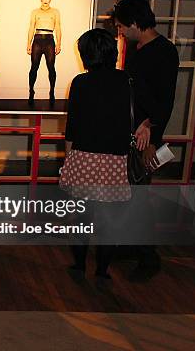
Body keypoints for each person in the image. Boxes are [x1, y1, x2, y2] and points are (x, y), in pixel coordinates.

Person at [112, 0, 179, 281]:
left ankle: (148, 257)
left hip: (146, 135)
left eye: (123, 27)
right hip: (129, 131)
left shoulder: (164, 51)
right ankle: (129, 246)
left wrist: (153, 134)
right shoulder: (135, 48)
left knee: (139, 197)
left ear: (137, 24)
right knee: (128, 195)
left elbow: (165, 99)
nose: (121, 33)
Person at [60, 28, 132, 284]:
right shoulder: (126, 81)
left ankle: (79, 266)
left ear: (87, 55)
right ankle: (102, 271)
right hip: (114, 159)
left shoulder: (80, 83)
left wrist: (67, 161)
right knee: (110, 220)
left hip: (84, 157)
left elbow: (73, 126)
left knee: (81, 216)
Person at [27, 0, 62, 106]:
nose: (46, 0)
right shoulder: (35, 12)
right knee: (34, 67)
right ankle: (31, 91)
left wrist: (59, 43)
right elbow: (31, 27)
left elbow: (58, 27)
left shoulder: (55, 12)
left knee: (51, 67)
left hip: (49, 41)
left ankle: (52, 91)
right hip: (37, 40)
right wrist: (28, 43)